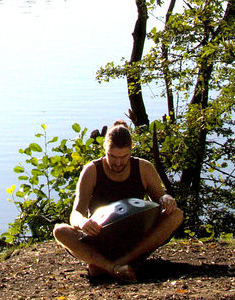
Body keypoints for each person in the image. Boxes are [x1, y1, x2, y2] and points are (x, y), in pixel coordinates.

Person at [51, 120, 184, 282]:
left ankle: (117, 264)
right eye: (112, 156)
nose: (118, 163)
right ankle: (115, 267)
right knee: (60, 231)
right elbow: (76, 213)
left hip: (135, 236)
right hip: (102, 236)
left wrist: (166, 198)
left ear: (131, 150)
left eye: (124, 156)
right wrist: (83, 223)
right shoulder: (92, 170)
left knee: (176, 215)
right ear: (105, 149)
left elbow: (160, 198)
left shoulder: (144, 168)